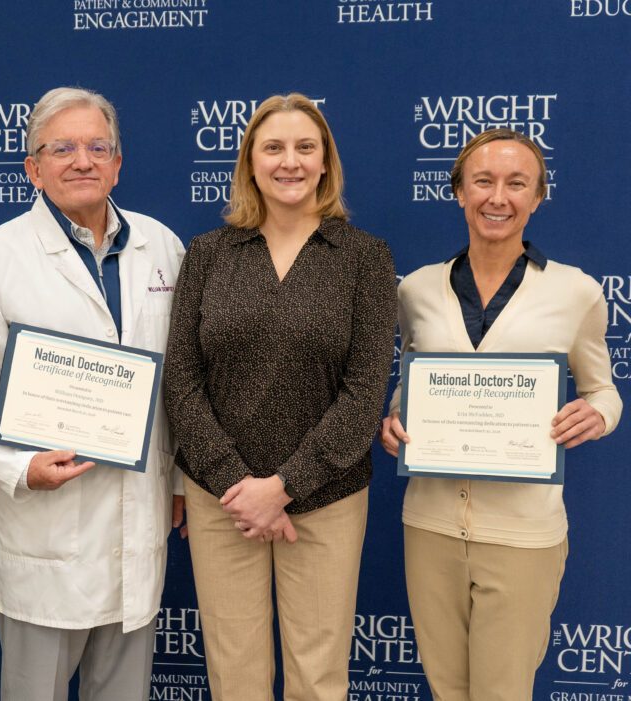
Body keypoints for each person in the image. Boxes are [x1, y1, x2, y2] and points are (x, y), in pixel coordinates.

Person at [0, 86, 185, 701]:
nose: (83, 160)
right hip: (46, 529)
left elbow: (183, 381)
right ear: (32, 167)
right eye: (63, 148)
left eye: (97, 146)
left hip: (139, 517)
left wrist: (179, 482)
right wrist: (21, 468)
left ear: (118, 163)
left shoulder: (162, 246)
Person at [163, 93, 397, 700]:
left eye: (304, 147)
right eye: (273, 147)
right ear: (249, 163)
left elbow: (366, 388)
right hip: (224, 501)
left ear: (325, 164)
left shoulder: (364, 257)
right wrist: (237, 486)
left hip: (326, 496)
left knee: (318, 678)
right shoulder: (208, 254)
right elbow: (182, 380)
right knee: (234, 674)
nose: (288, 161)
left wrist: (285, 486)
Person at [379, 128, 622, 701]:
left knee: (501, 692)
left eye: (518, 184)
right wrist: (394, 421)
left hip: (524, 535)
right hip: (430, 526)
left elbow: (604, 389)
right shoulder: (414, 290)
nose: (498, 197)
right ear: (458, 191)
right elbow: (410, 385)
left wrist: (598, 416)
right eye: (483, 181)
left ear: (538, 197)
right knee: (446, 688)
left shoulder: (576, 292)